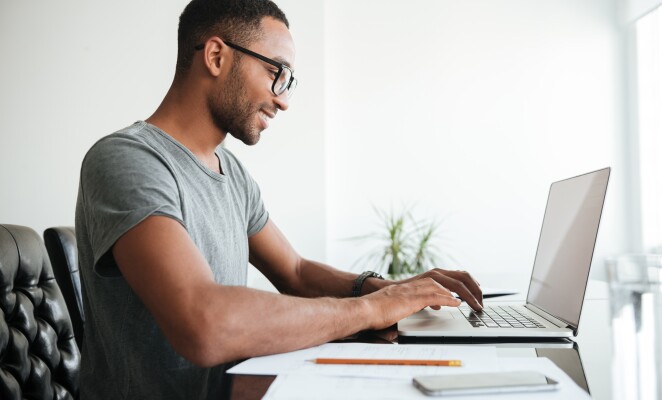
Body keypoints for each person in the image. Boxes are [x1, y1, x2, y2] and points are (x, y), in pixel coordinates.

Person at [75, 0, 483, 398]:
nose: (283, 99)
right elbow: (203, 323)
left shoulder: (231, 172)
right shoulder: (127, 159)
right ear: (216, 56)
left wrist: (390, 290)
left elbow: (297, 273)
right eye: (277, 72)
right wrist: (372, 309)